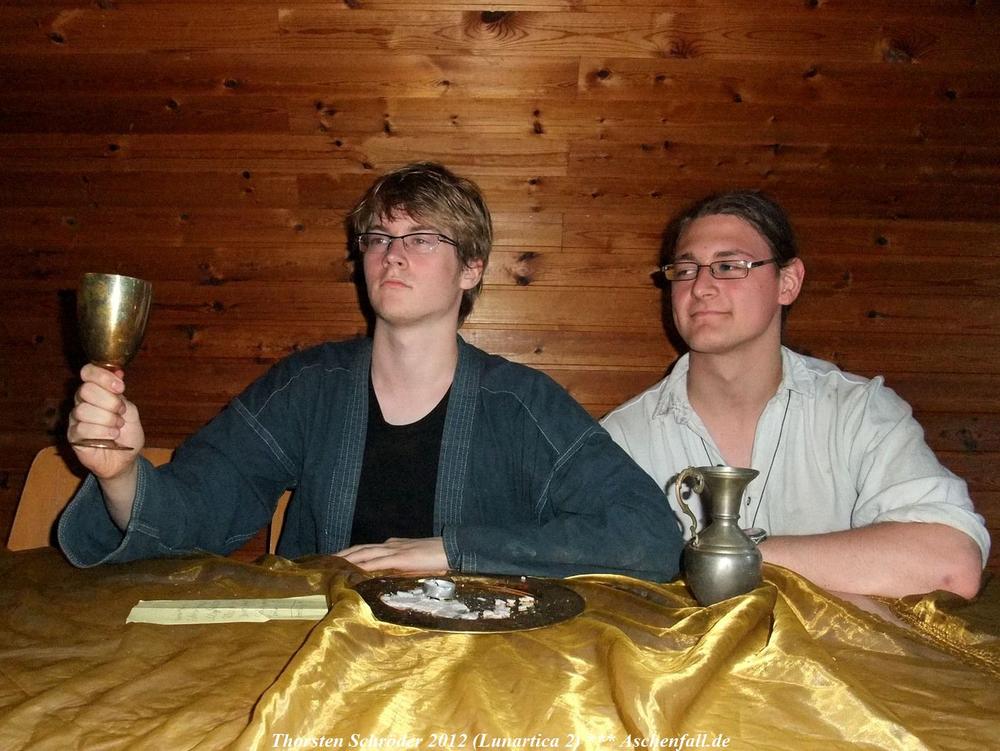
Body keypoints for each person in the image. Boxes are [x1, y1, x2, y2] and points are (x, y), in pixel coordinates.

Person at [59, 162, 683, 581]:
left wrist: (452, 552)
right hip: (316, 656)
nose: (393, 255)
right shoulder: (309, 387)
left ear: (471, 269)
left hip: (474, 667)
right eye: (379, 238)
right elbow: (200, 511)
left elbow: (648, 536)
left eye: (423, 238)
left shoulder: (522, 404)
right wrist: (120, 475)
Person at [601, 190, 989, 599]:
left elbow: (952, 566)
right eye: (685, 270)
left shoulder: (858, 413)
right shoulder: (621, 440)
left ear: (787, 282)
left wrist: (736, 558)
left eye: (728, 266)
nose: (700, 287)